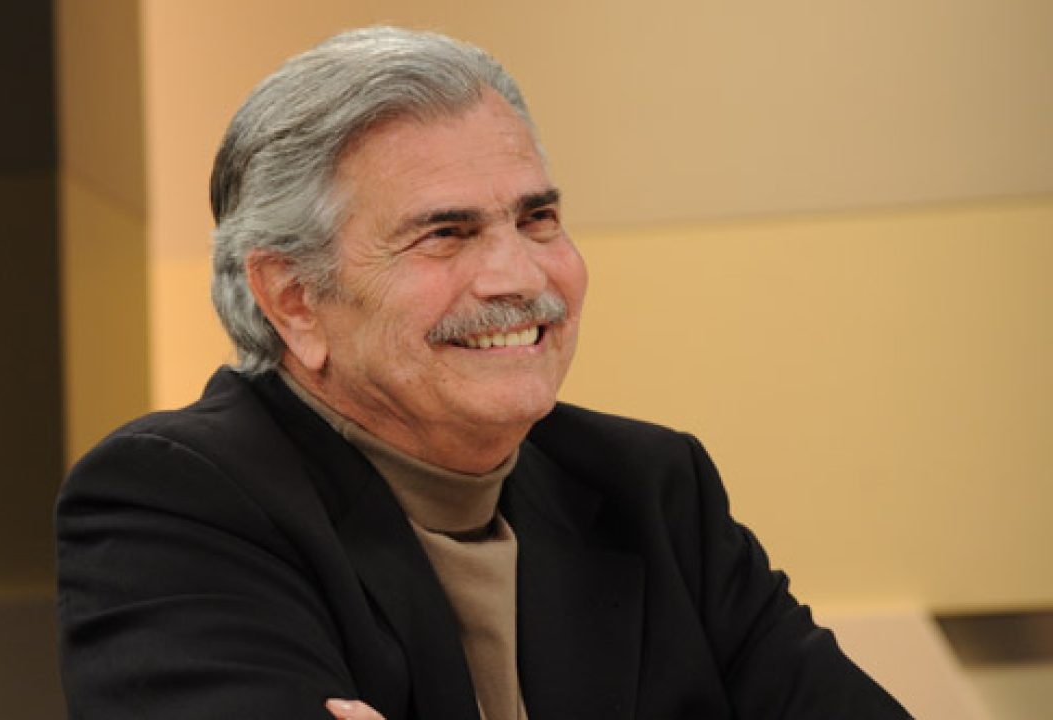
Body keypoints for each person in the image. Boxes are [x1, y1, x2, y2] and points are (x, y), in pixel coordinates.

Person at [57, 27, 911, 720]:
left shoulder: (653, 488)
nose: (521, 276)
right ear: (294, 300)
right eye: (446, 234)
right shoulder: (174, 501)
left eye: (537, 219)